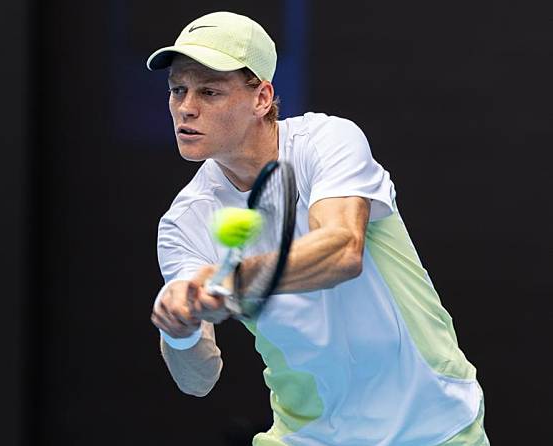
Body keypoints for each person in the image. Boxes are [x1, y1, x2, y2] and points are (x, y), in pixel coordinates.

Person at [147, 11, 489, 446]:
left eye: (209, 91)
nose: (186, 107)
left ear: (261, 98)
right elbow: (198, 380)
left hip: (435, 425)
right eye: (178, 90)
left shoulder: (328, 141)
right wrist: (180, 330)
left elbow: (343, 250)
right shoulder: (184, 222)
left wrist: (236, 281)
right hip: (306, 436)